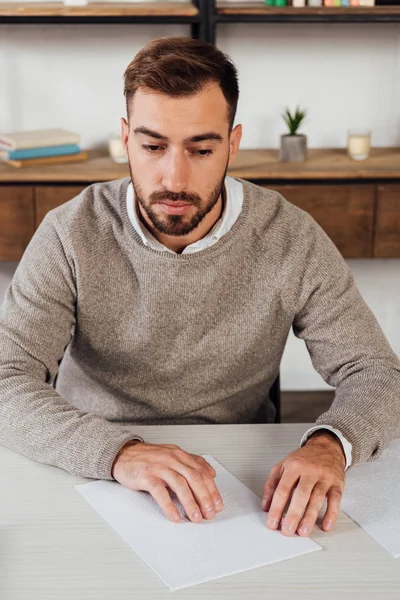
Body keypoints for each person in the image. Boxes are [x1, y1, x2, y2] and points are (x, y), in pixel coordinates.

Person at [1, 37, 399, 539]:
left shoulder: (290, 236)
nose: (173, 177)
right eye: (152, 146)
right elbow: (5, 379)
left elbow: (377, 372)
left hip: (235, 479)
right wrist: (120, 453)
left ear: (232, 145)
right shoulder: (70, 232)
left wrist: (331, 443)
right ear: (125, 139)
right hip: (89, 465)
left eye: (201, 149)